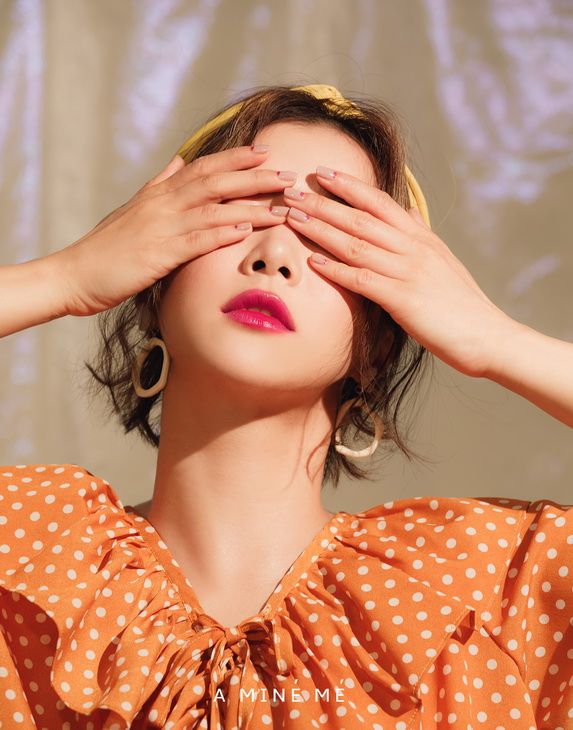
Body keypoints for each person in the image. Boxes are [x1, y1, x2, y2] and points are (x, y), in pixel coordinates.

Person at [0, 84, 571, 730]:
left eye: (331, 237)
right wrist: (65, 277)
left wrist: (492, 340)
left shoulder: (471, 596)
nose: (273, 256)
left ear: (379, 342)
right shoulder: (29, 562)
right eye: (238, 214)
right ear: (153, 279)